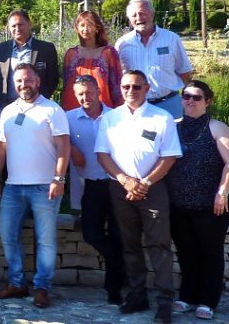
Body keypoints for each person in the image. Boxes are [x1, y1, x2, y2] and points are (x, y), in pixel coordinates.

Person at [95, 70, 182, 324]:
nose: (130, 91)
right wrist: (125, 180)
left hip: (152, 189)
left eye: (136, 87)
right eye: (126, 87)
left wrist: (144, 182)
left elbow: (170, 156)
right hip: (120, 188)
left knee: (160, 246)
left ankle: (165, 301)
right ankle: (137, 295)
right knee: (129, 245)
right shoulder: (110, 118)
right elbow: (102, 154)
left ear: (146, 89)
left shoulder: (162, 117)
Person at [0, 63, 70, 309]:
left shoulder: (52, 110)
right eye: (19, 81)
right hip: (13, 187)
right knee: (7, 235)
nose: (24, 85)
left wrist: (59, 178)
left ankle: (42, 287)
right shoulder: (8, 111)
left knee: (45, 239)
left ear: (38, 81)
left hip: (45, 186)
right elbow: (1, 147)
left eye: (28, 80)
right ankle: (17, 283)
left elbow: (64, 146)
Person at [165, 80, 229, 320]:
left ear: (207, 101)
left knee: (210, 252)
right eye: (186, 96)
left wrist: (223, 192)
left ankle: (209, 300)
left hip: (211, 205)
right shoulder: (173, 127)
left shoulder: (217, 128)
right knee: (186, 252)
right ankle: (187, 295)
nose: (190, 101)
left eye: (197, 97)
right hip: (179, 205)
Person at [65, 75, 123, 305]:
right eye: (80, 93)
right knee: (91, 233)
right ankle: (123, 264)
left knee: (118, 237)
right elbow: (55, 138)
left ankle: (114, 289)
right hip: (90, 185)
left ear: (98, 91)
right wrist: (70, 146)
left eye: (89, 92)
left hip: (117, 184)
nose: (84, 98)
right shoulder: (69, 118)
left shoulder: (116, 117)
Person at [115, 0, 194, 120]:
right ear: (129, 19)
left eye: (142, 13)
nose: (139, 18)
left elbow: (184, 72)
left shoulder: (171, 39)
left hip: (169, 104)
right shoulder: (123, 44)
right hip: (137, 107)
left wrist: (190, 100)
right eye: (134, 15)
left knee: (174, 138)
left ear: (152, 14)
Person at [0, 10, 59, 108]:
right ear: (9, 28)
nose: (17, 28)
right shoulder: (0, 50)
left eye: (21, 24)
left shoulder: (46, 49)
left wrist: (41, 99)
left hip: (37, 106)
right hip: (8, 106)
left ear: (29, 24)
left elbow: (53, 79)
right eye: (13, 26)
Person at [60, 10, 123, 110]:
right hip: (73, 109)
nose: (86, 29)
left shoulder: (109, 53)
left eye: (90, 25)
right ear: (77, 28)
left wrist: (119, 109)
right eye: (82, 25)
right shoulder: (70, 54)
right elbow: (66, 86)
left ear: (97, 27)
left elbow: (116, 85)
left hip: (102, 110)